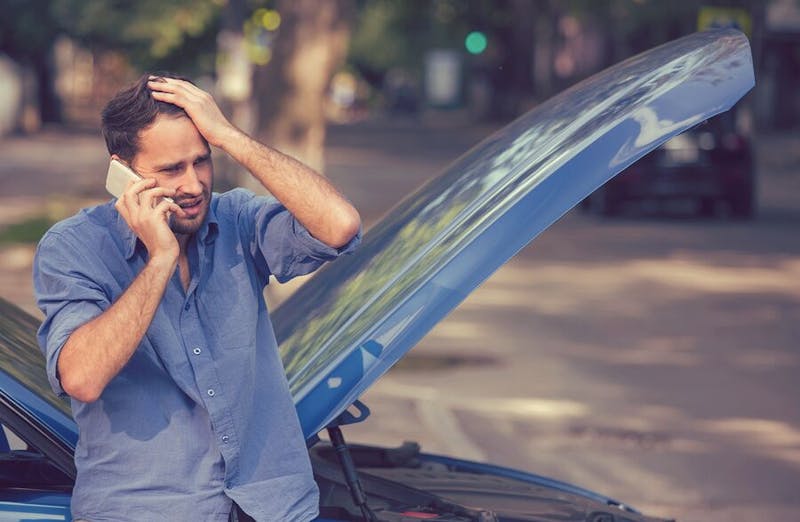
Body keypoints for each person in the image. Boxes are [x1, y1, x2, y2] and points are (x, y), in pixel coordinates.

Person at [33, 74, 361, 521]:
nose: (193, 185)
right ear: (122, 171)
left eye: (201, 162)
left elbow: (339, 226)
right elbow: (82, 377)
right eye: (170, 170)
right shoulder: (73, 247)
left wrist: (229, 136)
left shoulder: (236, 217)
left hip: (272, 506)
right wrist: (160, 259)